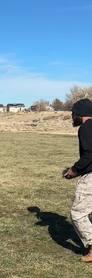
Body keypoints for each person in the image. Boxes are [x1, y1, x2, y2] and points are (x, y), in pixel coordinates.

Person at [63, 98, 92, 262]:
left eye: (73, 114)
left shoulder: (86, 127)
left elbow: (89, 154)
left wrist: (73, 170)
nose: (72, 117)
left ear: (81, 114)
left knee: (78, 214)